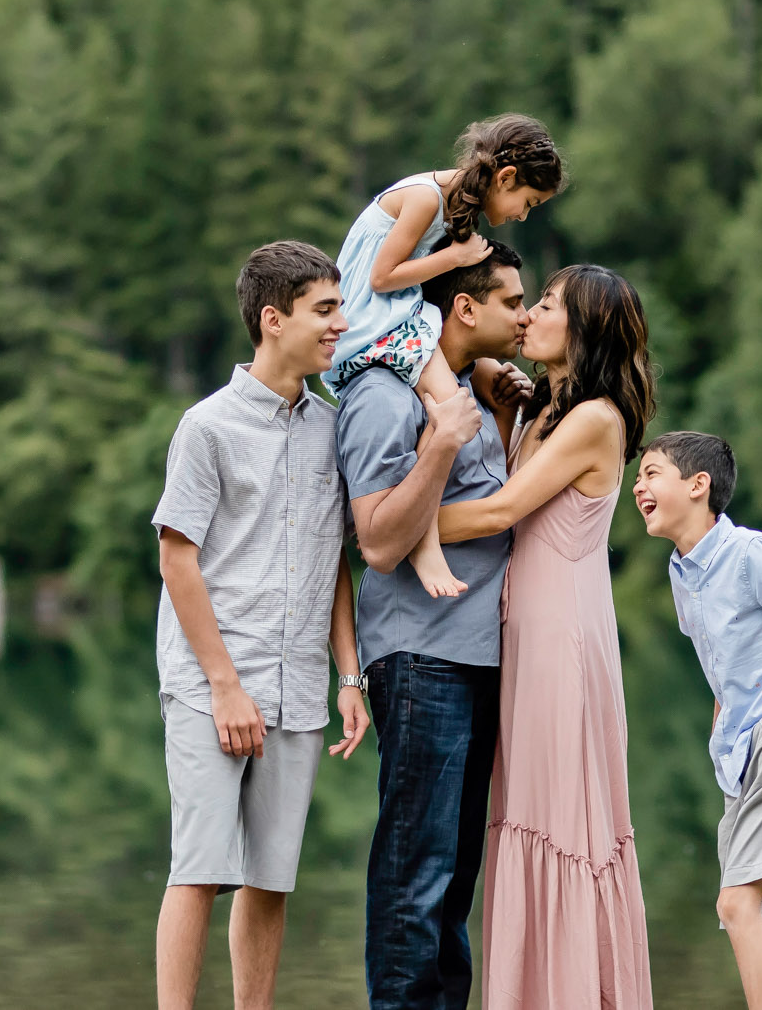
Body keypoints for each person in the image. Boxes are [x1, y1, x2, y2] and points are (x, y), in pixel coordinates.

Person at [150, 241, 373, 1010]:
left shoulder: (331, 428)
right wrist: (224, 688)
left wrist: (350, 675)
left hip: (302, 685)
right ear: (273, 320)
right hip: (215, 683)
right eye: (325, 310)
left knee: (271, 876)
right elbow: (177, 560)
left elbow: (334, 561)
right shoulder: (205, 427)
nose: (340, 323)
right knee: (201, 870)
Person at [437, 264, 658, 1009]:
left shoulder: (596, 417)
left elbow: (500, 512)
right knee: (527, 816)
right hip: (523, 634)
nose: (528, 314)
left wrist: (391, 527)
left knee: (565, 823)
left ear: (587, 329)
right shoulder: (547, 410)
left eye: (548, 305)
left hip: (563, 635)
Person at [335, 241, 532, 1010]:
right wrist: (444, 440)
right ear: (465, 306)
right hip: (421, 659)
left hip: (476, 657)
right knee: (416, 876)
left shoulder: (474, 391)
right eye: (513, 300)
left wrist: (498, 412)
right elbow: (379, 540)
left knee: (453, 883)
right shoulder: (386, 395)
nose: (523, 313)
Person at [632, 431, 762, 1010]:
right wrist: (724, 717)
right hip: (741, 755)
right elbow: (721, 655)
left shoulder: (750, 554)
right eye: (638, 478)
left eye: (652, 474)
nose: (638, 486)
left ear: (698, 485)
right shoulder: (682, 570)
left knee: (736, 904)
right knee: (749, 910)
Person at [325, 114, 565, 600]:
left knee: (474, 383)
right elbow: (381, 277)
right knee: (450, 407)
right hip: (372, 316)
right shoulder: (425, 198)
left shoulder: (462, 207)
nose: (522, 214)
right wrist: (455, 259)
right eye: (527, 202)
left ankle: (431, 528)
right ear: (505, 178)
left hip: (402, 312)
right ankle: (425, 541)